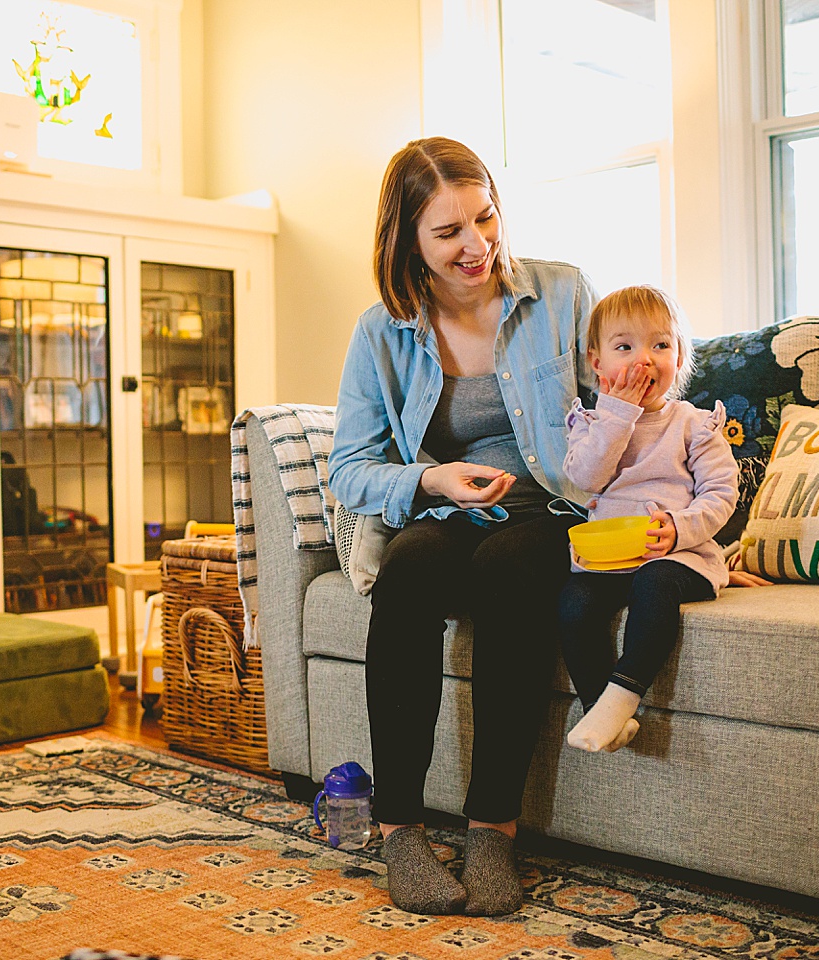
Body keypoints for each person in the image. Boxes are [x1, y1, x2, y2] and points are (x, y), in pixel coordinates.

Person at [328, 136, 596, 918]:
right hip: (446, 504)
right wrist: (430, 478)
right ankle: (400, 831)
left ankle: (490, 832)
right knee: (408, 572)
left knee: (510, 571)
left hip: (546, 507)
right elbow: (349, 468)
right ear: (407, 239)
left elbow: (619, 408)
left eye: (485, 219)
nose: (476, 245)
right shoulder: (382, 331)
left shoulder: (563, 292)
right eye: (448, 233)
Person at [558, 285, 739, 754]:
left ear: (680, 356)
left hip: (679, 559)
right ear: (596, 364)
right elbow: (586, 479)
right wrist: (617, 415)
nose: (644, 360)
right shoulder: (591, 425)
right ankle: (605, 710)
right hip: (610, 561)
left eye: (660, 345)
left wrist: (680, 528)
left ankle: (623, 693)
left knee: (654, 584)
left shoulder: (694, 424)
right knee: (573, 603)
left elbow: (721, 494)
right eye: (625, 347)